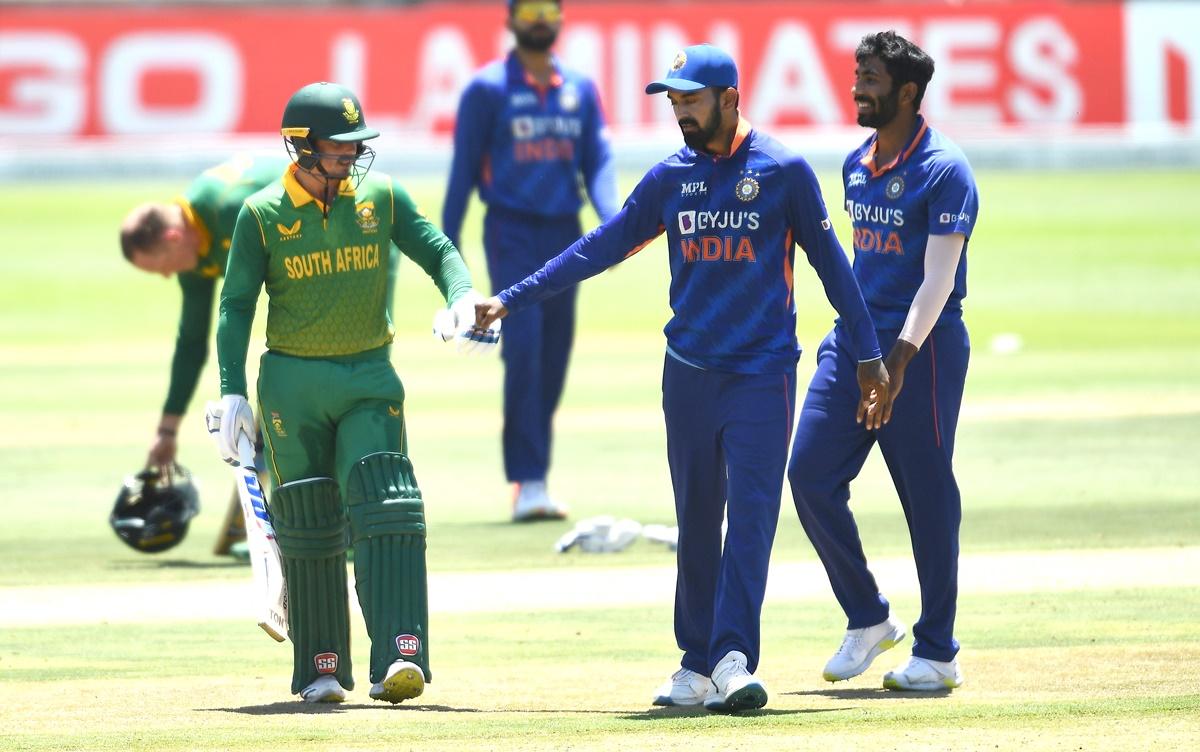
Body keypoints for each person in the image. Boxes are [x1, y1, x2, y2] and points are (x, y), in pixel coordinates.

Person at [474, 44, 890, 712]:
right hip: (689, 374)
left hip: (762, 375)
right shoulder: (672, 178)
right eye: (672, 102)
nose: (680, 114)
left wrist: (870, 359)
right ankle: (694, 665)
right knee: (698, 521)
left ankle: (732, 657)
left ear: (729, 97)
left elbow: (835, 270)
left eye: (690, 100)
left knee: (751, 520)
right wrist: (511, 297)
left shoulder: (782, 170)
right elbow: (599, 246)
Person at [207, 81, 499, 704]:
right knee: (309, 519)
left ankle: (401, 654)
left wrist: (460, 298)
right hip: (290, 385)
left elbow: (440, 250)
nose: (352, 156)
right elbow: (234, 309)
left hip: (369, 373)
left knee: (387, 503)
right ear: (301, 147)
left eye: (355, 145)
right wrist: (232, 393)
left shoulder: (382, 197)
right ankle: (322, 667)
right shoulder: (262, 213)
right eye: (339, 147)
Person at [787, 30, 979, 692]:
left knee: (926, 497)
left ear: (906, 92)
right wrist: (862, 350)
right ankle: (868, 617)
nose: (855, 87)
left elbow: (936, 284)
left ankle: (938, 651)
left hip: (921, 353)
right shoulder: (852, 164)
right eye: (855, 74)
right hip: (854, 346)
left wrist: (895, 363)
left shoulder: (945, 170)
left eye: (868, 78)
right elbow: (859, 266)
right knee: (809, 474)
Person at [443, 0, 619, 522]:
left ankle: (535, 476)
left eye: (549, 9)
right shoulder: (487, 89)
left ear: (561, 19)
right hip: (511, 232)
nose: (539, 20)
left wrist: (613, 223)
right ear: (511, 20)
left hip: (566, 235)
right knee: (524, 349)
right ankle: (529, 479)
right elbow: (462, 172)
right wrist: (446, 255)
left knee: (555, 352)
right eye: (529, 10)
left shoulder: (581, 88)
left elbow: (600, 161)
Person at [119, 154, 288, 555]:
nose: (165, 276)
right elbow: (192, 340)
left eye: (160, 267)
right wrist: (167, 430)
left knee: (298, 383)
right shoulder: (194, 243)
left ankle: (338, 525)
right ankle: (282, 519)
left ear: (173, 239)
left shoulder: (231, 210)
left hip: (346, 252)